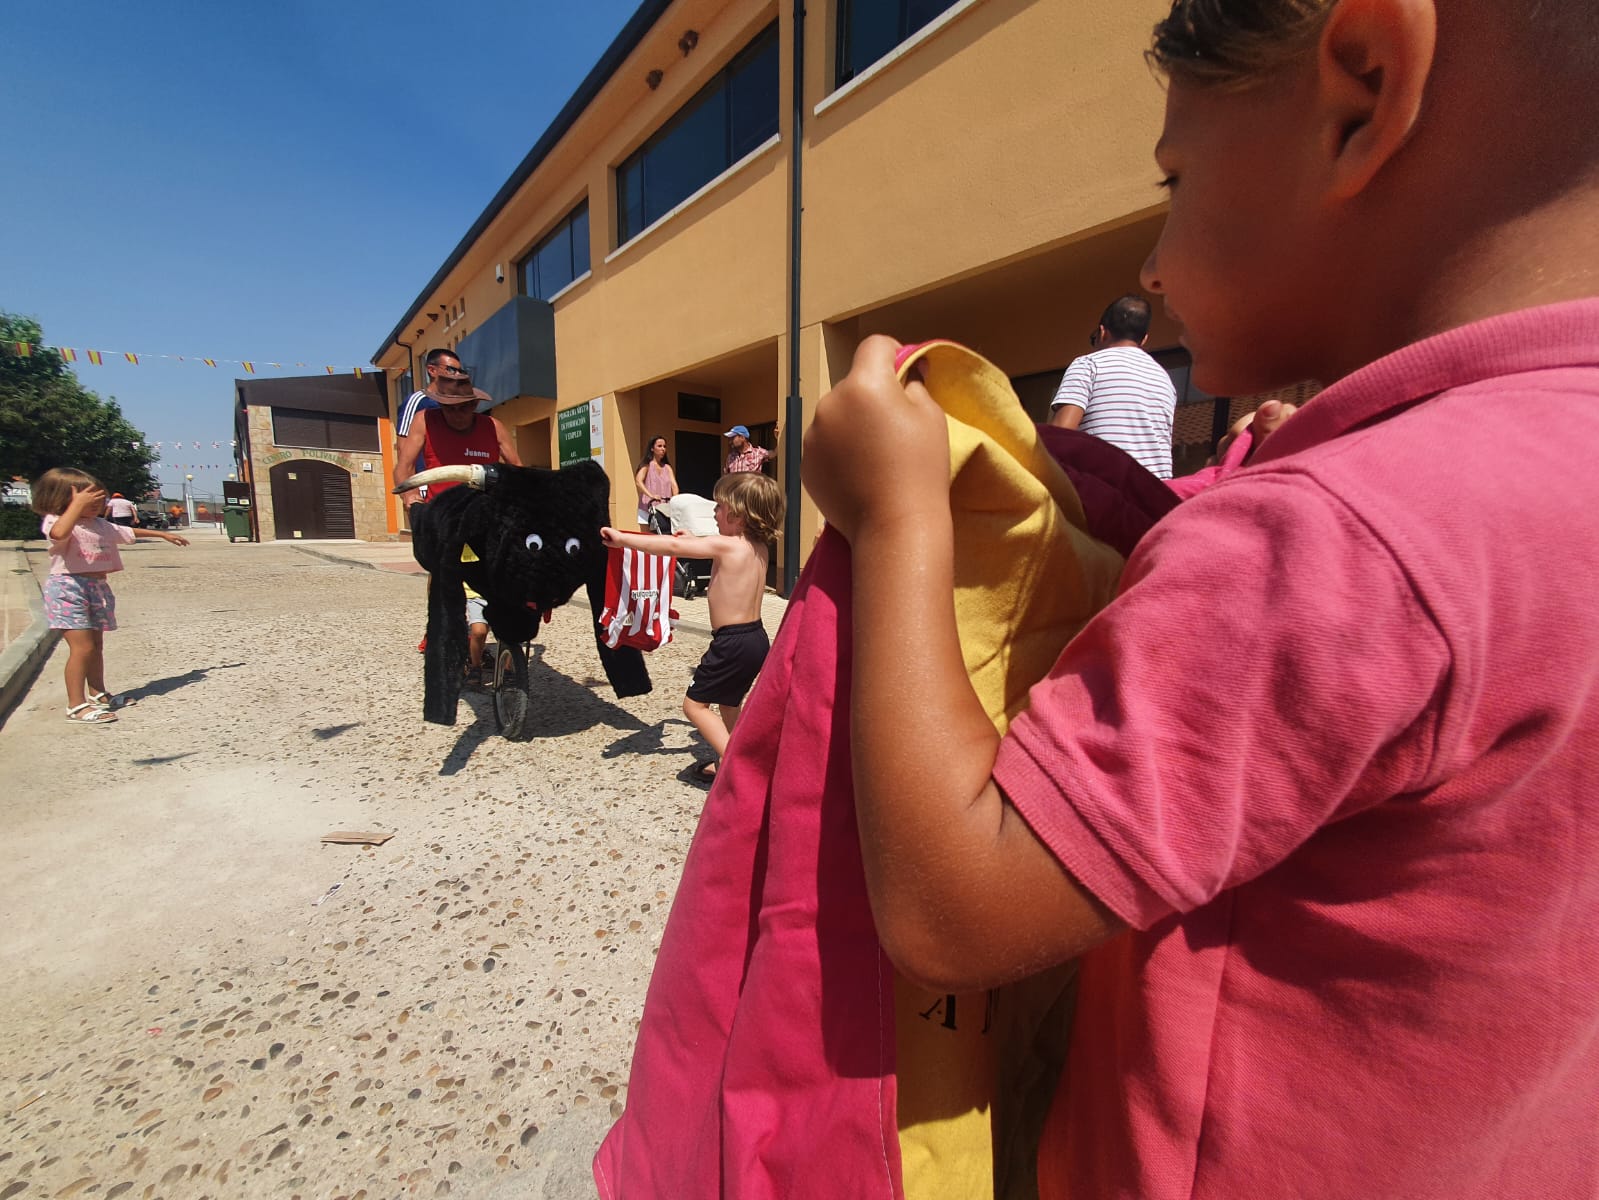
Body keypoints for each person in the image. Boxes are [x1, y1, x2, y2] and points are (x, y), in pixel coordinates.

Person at [800, 0, 1599, 1195]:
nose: (1151, 264)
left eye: (1172, 178)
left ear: (1364, 92)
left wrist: (898, 514)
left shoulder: (1328, 538)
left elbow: (952, 907)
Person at [601, 471, 784, 784]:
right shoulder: (756, 547)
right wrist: (694, 541)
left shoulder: (726, 546)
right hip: (755, 639)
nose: (714, 511)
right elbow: (710, 546)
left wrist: (622, 539)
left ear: (738, 515)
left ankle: (739, 768)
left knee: (694, 706)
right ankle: (741, 753)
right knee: (728, 703)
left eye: (719, 506)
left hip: (731, 642)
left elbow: (673, 548)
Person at [31, 468, 190, 724]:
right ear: (64, 500)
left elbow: (126, 533)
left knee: (96, 646)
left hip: (97, 587)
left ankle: (98, 693)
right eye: (90, 501)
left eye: (100, 500)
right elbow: (58, 535)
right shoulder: (58, 521)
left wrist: (162, 534)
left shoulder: (99, 525)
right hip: (68, 588)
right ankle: (76, 704)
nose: (100, 505)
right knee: (81, 648)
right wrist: (76, 507)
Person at [395, 374, 522, 670]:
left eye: (463, 408)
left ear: (475, 404)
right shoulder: (426, 420)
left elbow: (516, 467)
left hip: (484, 515)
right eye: (449, 408)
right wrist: (411, 501)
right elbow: (403, 467)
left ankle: (489, 631)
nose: (456, 414)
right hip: (444, 516)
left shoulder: (493, 427)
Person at [1046, 294, 1177, 479]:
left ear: (1102, 332)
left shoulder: (1089, 364)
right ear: (1144, 339)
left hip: (1106, 487)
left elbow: (1060, 433)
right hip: (1157, 494)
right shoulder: (1164, 378)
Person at [396, 348, 470, 438]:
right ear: (432, 370)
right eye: (451, 370)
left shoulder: (458, 403)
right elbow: (403, 445)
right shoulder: (417, 401)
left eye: (460, 372)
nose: (457, 375)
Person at [634, 435, 679, 529]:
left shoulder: (667, 468)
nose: (663, 449)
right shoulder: (647, 465)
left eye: (664, 446)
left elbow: (674, 486)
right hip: (648, 507)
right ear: (652, 448)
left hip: (665, 509)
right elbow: (638, 481)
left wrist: (675, 500)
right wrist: (651, 495)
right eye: (659, 446)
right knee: (646, 537)